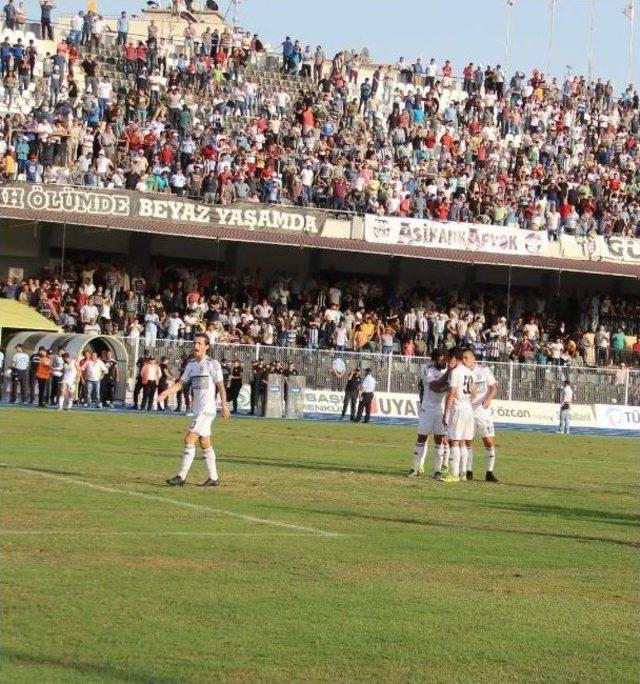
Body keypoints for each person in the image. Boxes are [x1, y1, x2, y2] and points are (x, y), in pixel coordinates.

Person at [158, 333, 230, 486]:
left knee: (189, 438)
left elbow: (221, 387)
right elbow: (180, 384)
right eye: (194, 343)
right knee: (204, 442)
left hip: (207, 410)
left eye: (199, 343)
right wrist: (166, 392)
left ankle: (181, 477)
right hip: (198, 410)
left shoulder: (212, 364)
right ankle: (214, 478)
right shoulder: (191, 365)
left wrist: (224, 405)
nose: (196, 346)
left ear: (206, 346)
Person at [408, 348, 449, 479]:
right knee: (422, 437)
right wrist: (449, 381)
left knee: (439, 439)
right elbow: (435, 387)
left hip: (441, 409)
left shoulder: (449, 369)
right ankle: (414, 468)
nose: (443, 361)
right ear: (435, 359)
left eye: (444, 358)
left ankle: (437, 471)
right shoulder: (427, 368)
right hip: (427, 408)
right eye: (440, 358)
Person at [442, 349, 476, 482]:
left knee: (454, 441)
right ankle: (463, 474)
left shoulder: (455, 372)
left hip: (458, 408)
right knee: (464, 442)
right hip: (468, 408)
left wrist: (446, 412)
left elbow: (451, 393)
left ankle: (454, 474)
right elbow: (474, 392)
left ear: (456, 359)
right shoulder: (470, 372)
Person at [468, 352, 500, 482]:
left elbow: (493, 387)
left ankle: (489, 472)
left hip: (482, 411)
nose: (464, 360)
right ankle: (468, 471)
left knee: (488, 441)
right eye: (463, 358)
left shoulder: (484, 370)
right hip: (467, 411)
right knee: (468, 442)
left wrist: (488, 398)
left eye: (467, 358)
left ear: (473, 359)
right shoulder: (461, 372)